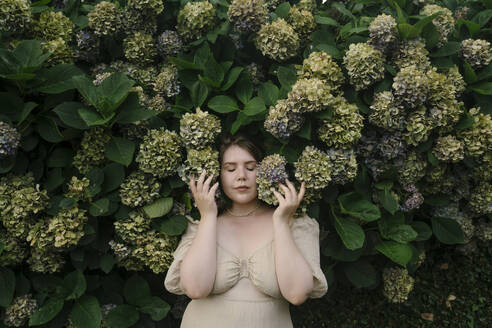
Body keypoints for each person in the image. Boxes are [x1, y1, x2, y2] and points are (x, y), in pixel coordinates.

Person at [164, 132, 328, 327]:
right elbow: (195, 289)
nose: (241, 176)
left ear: (265, 171)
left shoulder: (295, 224)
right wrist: (208, 216)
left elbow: (297, 293)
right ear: (218, 175)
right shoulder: (201, 226)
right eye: (230, 169)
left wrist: (281, 222)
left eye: (251, 167)